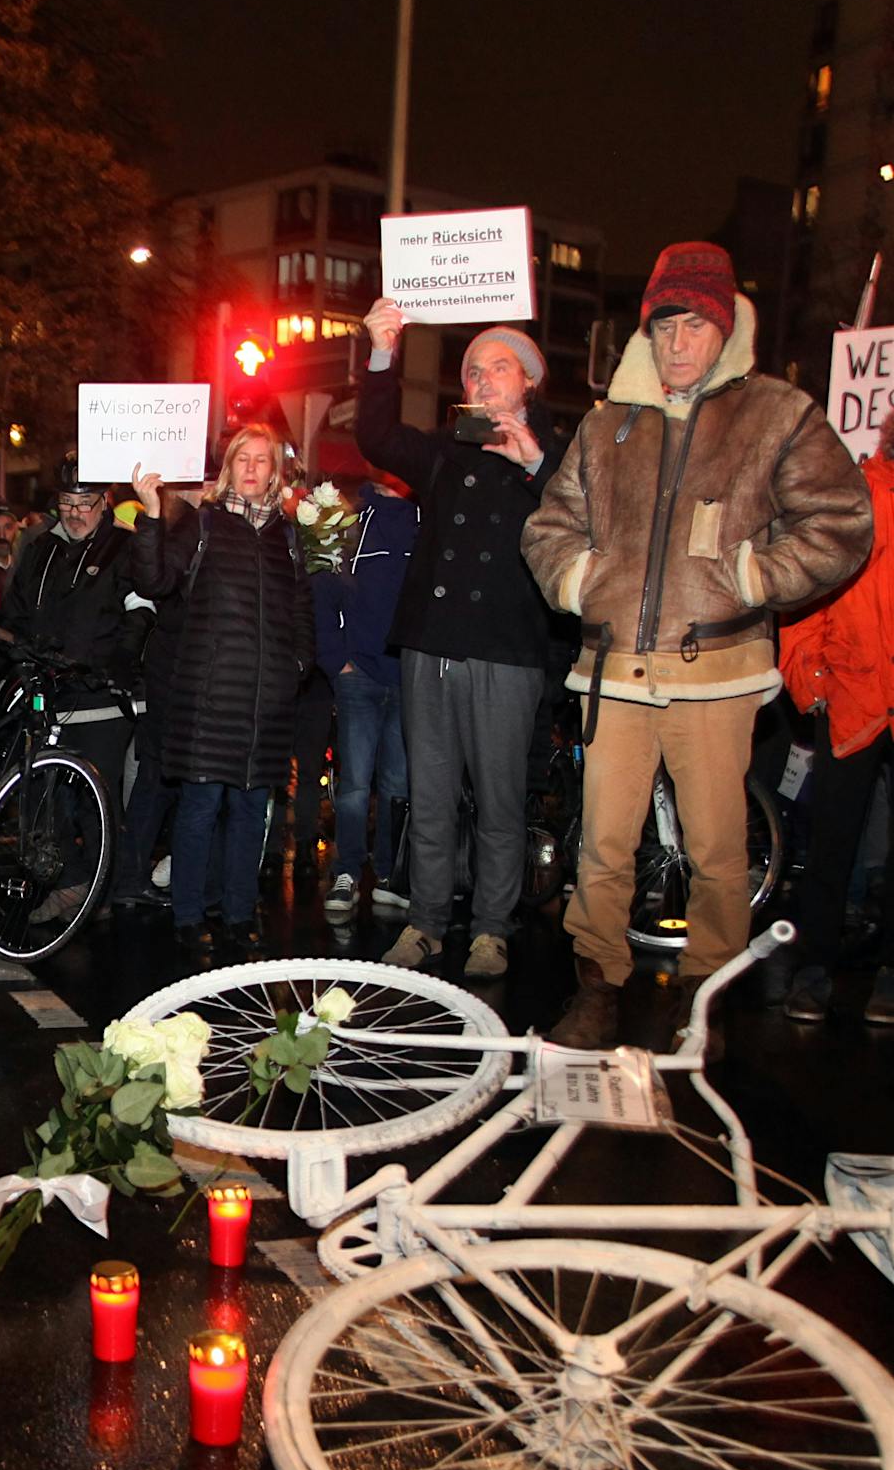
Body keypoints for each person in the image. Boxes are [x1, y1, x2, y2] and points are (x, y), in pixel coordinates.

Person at [524, 241, 873, 1050]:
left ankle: (704, 996)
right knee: (603, 846)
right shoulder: (607, 424)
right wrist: (579, 581)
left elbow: (842, 521)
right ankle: (597, 986)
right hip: (613, 670)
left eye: (695, 325)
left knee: (716, 850)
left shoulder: (776, 414)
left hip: (717, 673)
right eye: (665, 326)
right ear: (647, 332)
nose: (678, 342)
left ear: (726, 328)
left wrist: (756, 575)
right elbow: (549, 527)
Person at [356, 305, 566, 980]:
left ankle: (491, 930)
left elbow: (590, 514)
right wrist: (382, 351)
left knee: (500, 804)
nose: (481, 379)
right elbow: (376, 435)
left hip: (506, 650)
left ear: (528, 380)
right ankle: (425, 922)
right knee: (431, 796)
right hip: (433, 646)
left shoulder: (559, 452)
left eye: (497, 367)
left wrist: (536, 464)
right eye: (472, 370)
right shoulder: (448, 448)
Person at [131, 424, 313, 962]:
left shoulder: (287, 536)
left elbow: (302, 610)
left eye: (262, 460)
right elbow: (154, 581)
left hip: (264, 704)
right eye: (242, 459)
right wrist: (150, 515)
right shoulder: (202, 524)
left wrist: (296, 666)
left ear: (275, 472)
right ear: (229, 468)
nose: (252, 468)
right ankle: (188, 918)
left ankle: (238, 916)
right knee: (200, 808)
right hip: (208, 698)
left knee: (252, 811)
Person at [775, 414, 894, 1025]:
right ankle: (813, 971)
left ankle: (890, 976)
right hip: (853, 692)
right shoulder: (854, 492)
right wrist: (810, 677)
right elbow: (808, 587)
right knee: (830, 843)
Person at [0, 460, 150, 914]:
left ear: (105, 503)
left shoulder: (123, 546)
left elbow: (142, 611)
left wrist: (121, 659)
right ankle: (71, 882)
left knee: (95, 800)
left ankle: (102, 891)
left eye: (85, 503)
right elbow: (15, 613)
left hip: (101, 699)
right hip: (50, 694)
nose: (75, 513)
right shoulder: (41, 549)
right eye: (66, 503)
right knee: (46, 796)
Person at [317, 476, 418, 921]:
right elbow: (324, 590)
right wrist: (336, 659)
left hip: (409, 676)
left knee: (398, 783)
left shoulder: (426, 521)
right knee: (356, 784)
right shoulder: (352, 522)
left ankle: (390, 874)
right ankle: (347, 872)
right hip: (357, 672)